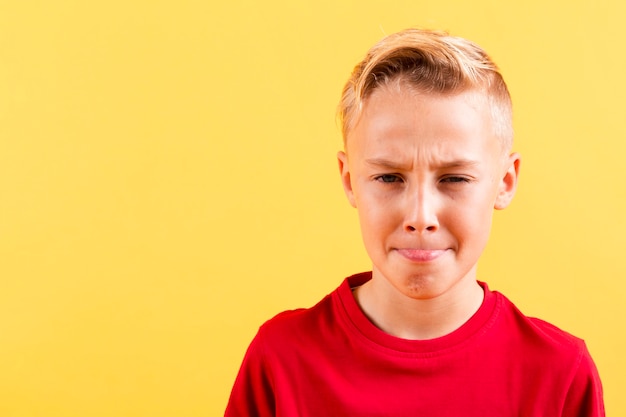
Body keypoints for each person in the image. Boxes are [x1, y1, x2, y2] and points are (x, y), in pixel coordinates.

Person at [224, 28, 605, 416]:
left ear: (504, 182)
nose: (420, 217)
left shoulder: (560, 374)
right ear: (349, 180)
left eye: (454, 178)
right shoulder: (280, 361)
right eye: (389, 177)